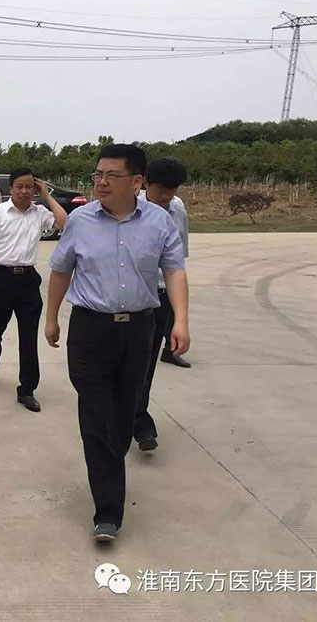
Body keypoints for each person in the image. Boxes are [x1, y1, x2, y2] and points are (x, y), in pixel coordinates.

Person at [45, 144, 189, 543]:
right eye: (98, 174)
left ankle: (111, 464)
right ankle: (108, 511)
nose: (102, 182)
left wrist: (180, 321)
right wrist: (51, 317)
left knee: (124, 414)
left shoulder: (159, 221)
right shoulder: (80, 220)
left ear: (137, 181)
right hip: (90, 329)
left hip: (140, 328)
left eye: (112, 175)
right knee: (96, 416)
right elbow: (61, 270)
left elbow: (174, 270)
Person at [0, 168, 68, 412]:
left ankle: (27, 389)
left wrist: (47, 196)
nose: (25, 191)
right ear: (11, 188)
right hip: (0, 279)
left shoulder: (40, 213)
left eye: (29, 186)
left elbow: (64, 222)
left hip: (27, 281)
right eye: (20, 186)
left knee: (28, 338)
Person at [133, 157, 190, 452]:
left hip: (160, 296)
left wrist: (180, 318)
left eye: (172, 190)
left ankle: (139, 422)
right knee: (125, 364)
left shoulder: (177, 209)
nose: (167, 196)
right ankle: (123, 416)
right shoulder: (130, 207)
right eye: (161, 190)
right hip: (132, 296)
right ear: (145, 183)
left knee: (146, 363)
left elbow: (177, 262)